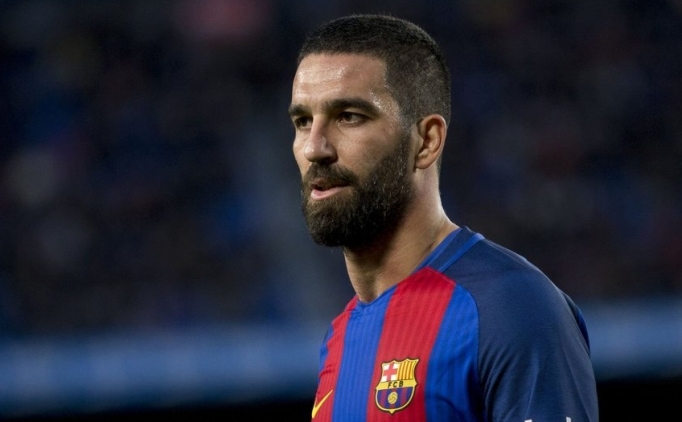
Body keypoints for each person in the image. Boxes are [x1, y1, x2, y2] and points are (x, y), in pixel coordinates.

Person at [288, 14, 599, 421]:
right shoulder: (340, 336)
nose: (314, 148)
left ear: (427, 141)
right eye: (303, 121)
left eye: (349, 116)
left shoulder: (511, 307)